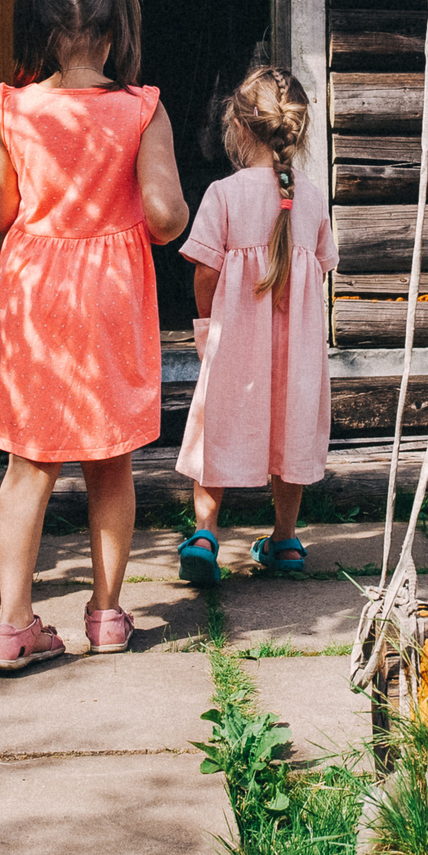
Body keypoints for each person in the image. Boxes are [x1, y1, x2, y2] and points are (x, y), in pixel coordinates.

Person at [0, 0, 189, 671]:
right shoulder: (141, 109)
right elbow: (163, 217)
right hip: (108, 296)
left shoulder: (12, 109)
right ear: (109, 32)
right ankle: (105, 614)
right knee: (110, 461)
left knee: (27, 463)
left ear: (40, 28)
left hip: (35, 293)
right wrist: (168, 207)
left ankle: (10, 626)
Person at [174, 68, 338, 583]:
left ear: (239, 128)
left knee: (214, 424)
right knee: (289, 434)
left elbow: (205, 272)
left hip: (236, 346)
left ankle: (205, 532)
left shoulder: (224, 194)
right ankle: (286, 540)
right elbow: (321, 272)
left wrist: (206, 327)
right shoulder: (311, 198)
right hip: (298, 357)